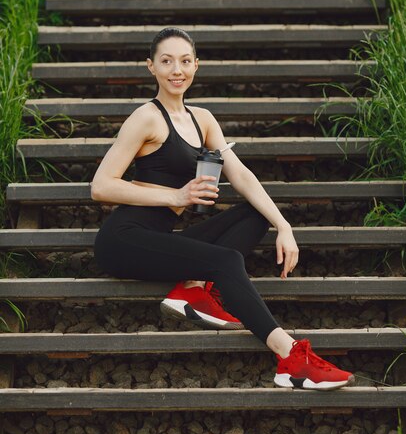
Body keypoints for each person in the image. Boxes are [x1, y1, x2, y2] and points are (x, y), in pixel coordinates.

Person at [92, 26, 354, 391]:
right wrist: (176, 197)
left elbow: (241, 175)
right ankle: (290, 357)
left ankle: (193, 288)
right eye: (166, 61)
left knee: (257, 211)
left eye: (185, 61)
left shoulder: (203, 119)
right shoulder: (146, 117)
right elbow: (101, 186)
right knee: (228, 261)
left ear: (197, 65)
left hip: (160, 238)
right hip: (124, 240)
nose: (176, 70)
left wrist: (284, 225)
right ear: (151, 66)